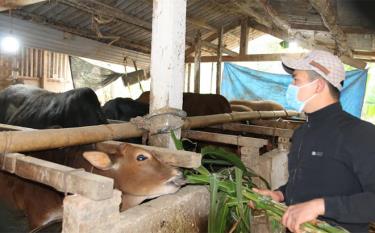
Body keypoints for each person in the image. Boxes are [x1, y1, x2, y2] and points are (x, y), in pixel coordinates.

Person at [251, 50, 375, 233]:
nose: (291, 86)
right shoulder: (301, 133)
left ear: (318, 86)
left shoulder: (360, 133)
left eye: (296, 80)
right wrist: (279, 194)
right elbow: (303, 182)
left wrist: (321, 206)